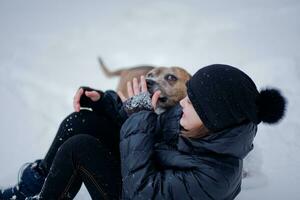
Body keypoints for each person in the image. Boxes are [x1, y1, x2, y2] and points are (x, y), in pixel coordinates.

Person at [1, 64, 286, 200]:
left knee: (80, 148)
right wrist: (104, 101)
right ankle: (32, 184)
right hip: (140, 171)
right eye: (188, 96)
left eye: (192, 102)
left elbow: (142, 192)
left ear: (215, 120)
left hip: (139, 192)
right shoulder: (192, 120)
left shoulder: (217, 177)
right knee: (83, 122)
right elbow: (148, 129)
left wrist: (140, 118)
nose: (183, 102)